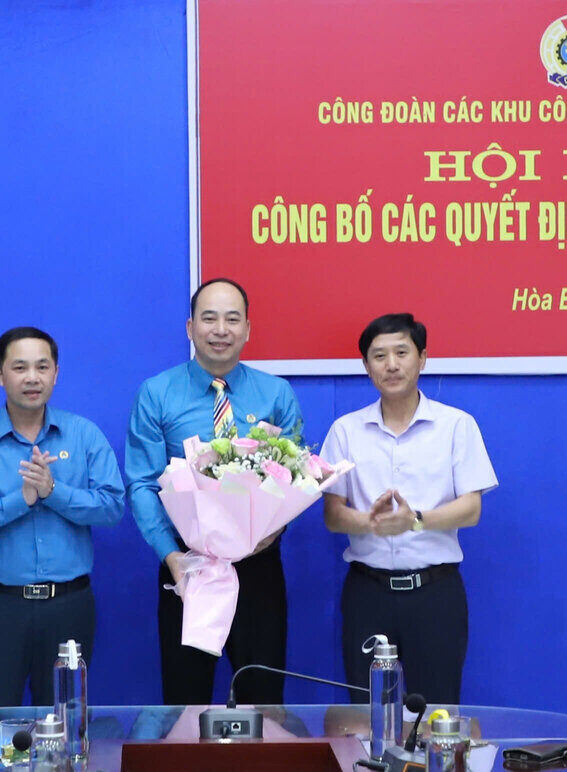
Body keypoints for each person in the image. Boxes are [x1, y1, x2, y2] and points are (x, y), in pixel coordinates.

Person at [126, 277, 303, 705]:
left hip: (258, 567)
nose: (220, 329)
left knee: (263, 702)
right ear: (190, 328)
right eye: (208, 318)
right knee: (186, 701)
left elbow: (297, 478)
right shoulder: (157, 393)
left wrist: (269, 533)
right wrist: (173, 558)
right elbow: (142, 483)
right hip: (188, 567)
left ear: (247, 330)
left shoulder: (276, 393)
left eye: (231, 319)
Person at [320, 313, 498, 705]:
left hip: (435, 594)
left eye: (402, 352)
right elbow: (333, 514)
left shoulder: (456, 426)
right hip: (369, 593)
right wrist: (370, 522)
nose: (392, 364)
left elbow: (471, 509)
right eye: (379, 356)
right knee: (366, 719)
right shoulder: (345, 431)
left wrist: (413, 521)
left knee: (434, 714)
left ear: (423, 358)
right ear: (366, 366)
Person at [0, 326, 124, 707]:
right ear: (0, 375)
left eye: (42, 367)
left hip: (68, 607)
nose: (32, 378)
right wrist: (19, 501)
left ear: (56, 373)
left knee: (66, 725)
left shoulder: (84, 435)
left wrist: (53, 493)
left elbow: (112, 507)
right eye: (20, 367)